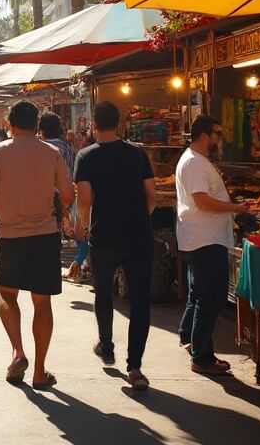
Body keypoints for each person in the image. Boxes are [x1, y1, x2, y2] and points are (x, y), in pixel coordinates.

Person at [0, 101, 74, 388]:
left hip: (11, 235)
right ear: (37, 125)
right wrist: (58, 215)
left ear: (10, 123)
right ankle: (39, 371)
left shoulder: (0, 151)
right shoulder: (52, 152)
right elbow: (68, 193)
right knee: (41, 301)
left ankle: (18, 351)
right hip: (45, 235)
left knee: (7, 294)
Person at [74, 101, 156, 391]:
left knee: (104, 293)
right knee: (139, 301)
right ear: (119, 123)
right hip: (138, 236)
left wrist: (82, 225)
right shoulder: (137, 154)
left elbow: (84, 200)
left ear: (94, 124)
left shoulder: (85, 156)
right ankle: (135, 367)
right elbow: (152, 195)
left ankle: (106, 346)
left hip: (105, 236)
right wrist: (138, 219)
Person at [175, 115, 249, 375]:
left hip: (200, 237)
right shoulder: (195, 163)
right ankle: (202, 356)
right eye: (217, 133)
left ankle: (188, 337)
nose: (220, 138)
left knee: (199, 293)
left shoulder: (196, 161)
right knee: (211, 297)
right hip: (204, 239)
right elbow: (203, 202)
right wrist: (235, 207)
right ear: (204, 135)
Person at [39, 112, 83, 283]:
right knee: (58, 228)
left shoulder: (39, 147)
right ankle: (53, 258)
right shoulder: (67, 147)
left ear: (41, 129)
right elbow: (72, 173)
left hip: (42, 194)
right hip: (64, 194)